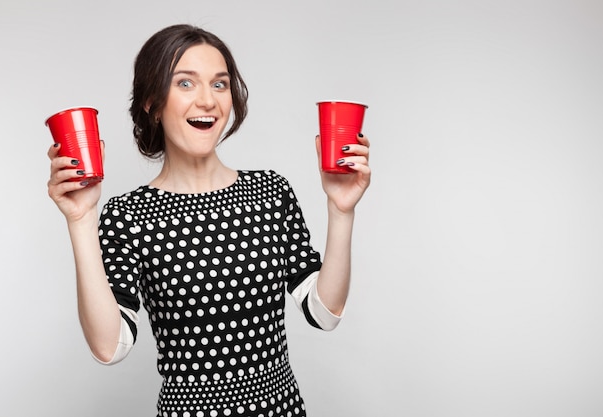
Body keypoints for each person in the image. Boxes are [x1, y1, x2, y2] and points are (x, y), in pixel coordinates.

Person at [47, 24, 370, 417]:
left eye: (220, 85)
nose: (208, 101)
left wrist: (341, 209)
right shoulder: (128, 215)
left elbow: (324, 314)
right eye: (185, 83)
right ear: (152, 101)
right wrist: (80, 220)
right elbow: (108, 347)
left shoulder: (271, 191)